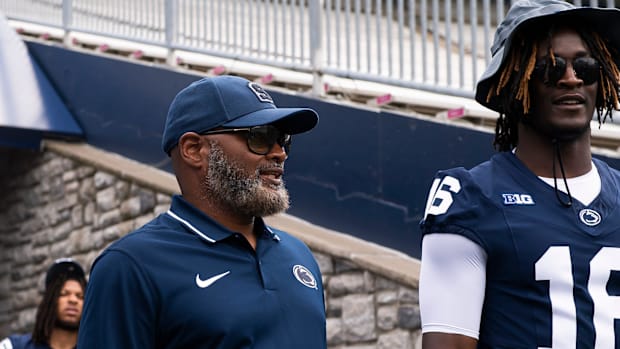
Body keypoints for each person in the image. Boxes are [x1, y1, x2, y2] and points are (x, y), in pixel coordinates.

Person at [418, 0, 620, 348]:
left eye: (585, 66)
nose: (570, 78)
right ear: (514, 83)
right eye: (550, 68)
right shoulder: (471, 197)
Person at [77, 75, 326, 348]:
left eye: (283, 139)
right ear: (193, 150)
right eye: (261, 137)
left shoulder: (299, 255)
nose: (280, 153)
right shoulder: (130, 266)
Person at [1, 258, 86, 349]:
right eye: (64, 294)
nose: (73, 300)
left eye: (80, 296)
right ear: (49, 301)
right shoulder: (14, 346)